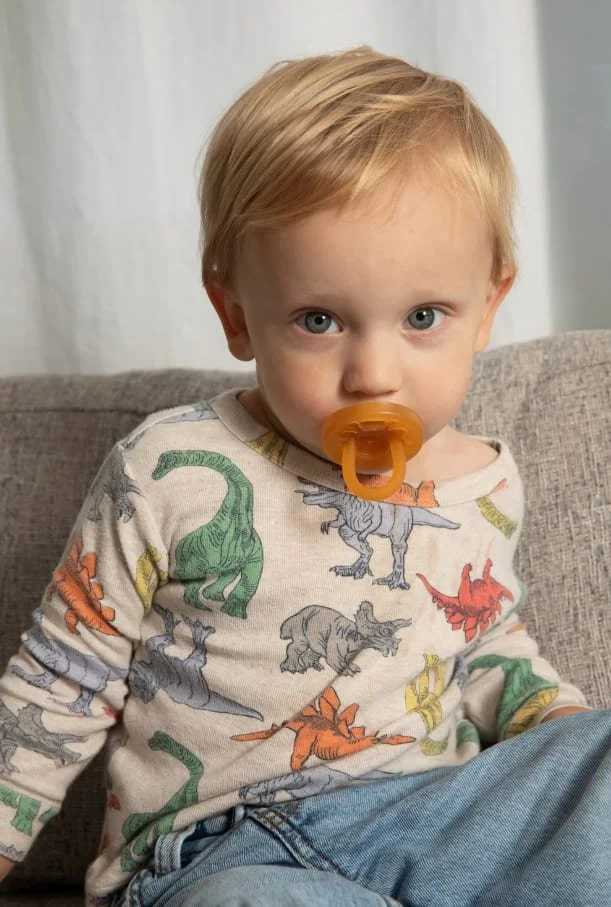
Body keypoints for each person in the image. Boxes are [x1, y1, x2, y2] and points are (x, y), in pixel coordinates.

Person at [0, 46, 608, 907]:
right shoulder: (168, 467)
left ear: (488, 307)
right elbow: (60, 679)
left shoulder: (485, 484)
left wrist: (560, 738)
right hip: (219, 849)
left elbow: (486, 645)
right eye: (319, 320)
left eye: (423, 316)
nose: (372, 373)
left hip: (432, 822)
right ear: (236, 315)